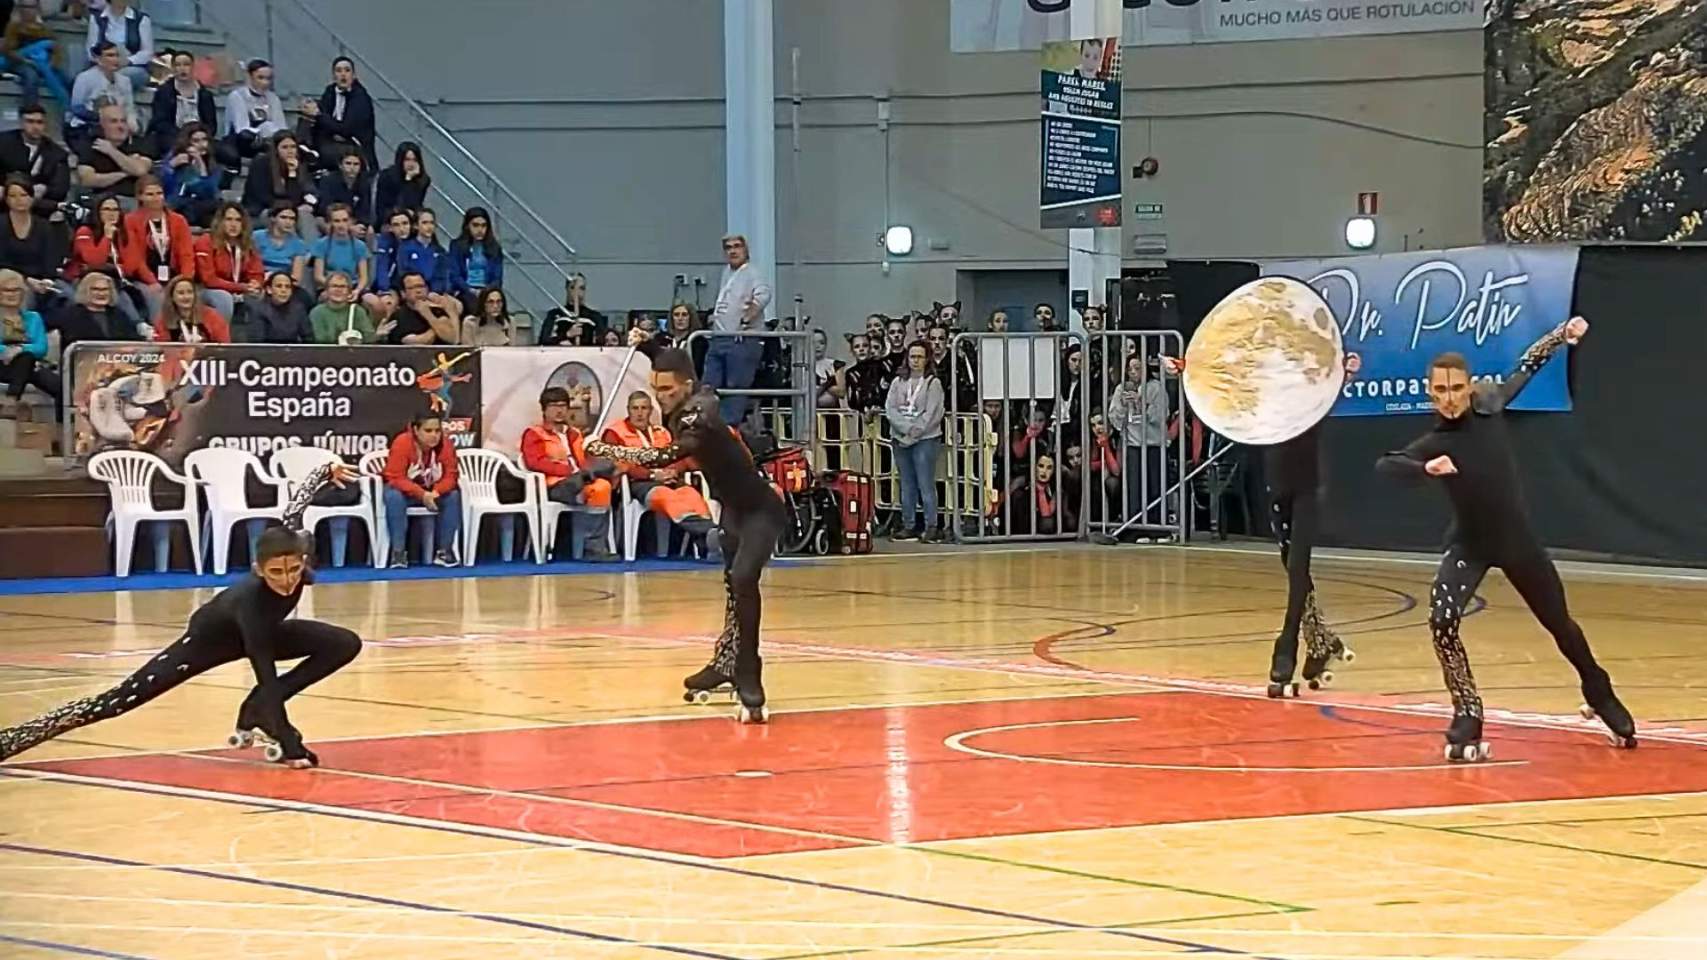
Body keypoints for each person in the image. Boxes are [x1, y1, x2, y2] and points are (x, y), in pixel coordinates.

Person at [1376, 317, 1636, 760]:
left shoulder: (1491, 405)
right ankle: (1468, 711)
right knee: (1441, 620)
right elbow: (1387, 464)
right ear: (1430, 393)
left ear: (1469, 386)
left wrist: (1561, 335)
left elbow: (1527, 366)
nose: (1449, 399)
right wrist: (1424, 469)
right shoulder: (1433, 442)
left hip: (1517, 542)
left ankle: (1599, 691)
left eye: (1456, 388)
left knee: (1561, 626)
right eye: (1439, 391)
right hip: (1469, 544)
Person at [0, 462, 364, 767]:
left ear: (302, 560)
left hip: (266, 631)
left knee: (344, 643)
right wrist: (289, 741)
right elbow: (265, 670)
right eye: (276, 573)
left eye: (294, 571)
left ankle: (256, 710)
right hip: (210, 641)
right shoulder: (251, 601)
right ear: (257, 569)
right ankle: (11, 741)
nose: (287, 581)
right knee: (118, 701)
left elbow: (294, 510)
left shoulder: (295, 548)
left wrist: (322, 471)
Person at [585, 348, 786, 721]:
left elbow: (666, 456)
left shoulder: (700, 411)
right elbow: (671, 358)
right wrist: (644, 345)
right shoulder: (683, 408)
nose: (660, 396)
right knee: (733, 587)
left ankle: (749, 675)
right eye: (655, 388)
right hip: (733, 512)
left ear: (686, 386)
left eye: (667, 389)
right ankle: (725, 662)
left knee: (744, 577)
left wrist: (606, 449)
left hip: (762, 510)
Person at [1163, 350, 1363, 698]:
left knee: (1299, 570)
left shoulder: (1313, 395)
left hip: (1308, 490)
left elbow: (1335, 382)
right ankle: (1322, 643)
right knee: (1294, 569)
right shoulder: (1266, 401)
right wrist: (1186, 369)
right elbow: (1226, 389)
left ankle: (1285, 650)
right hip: (1278, 490)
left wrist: (1347, 373)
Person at [600, 390, 719, 556]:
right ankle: (714, 534)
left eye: (644, 408)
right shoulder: (615, 432)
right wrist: (651, 475)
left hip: (669, 479)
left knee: (691, 494)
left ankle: (710, 542)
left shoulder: (661, 432)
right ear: (628, 410)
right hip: (639, 483)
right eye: (635, 408)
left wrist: (673, 470)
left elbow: (678, 457)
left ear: (650, 411)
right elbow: (620, 464)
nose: (640, 413)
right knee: (666, 496)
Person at [521, 386, 617, 561]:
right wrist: (569, 471)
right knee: (586, 478)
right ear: (544, 409)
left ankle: (593, 549)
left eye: (563, 406)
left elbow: (584, 460)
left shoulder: (575, 434)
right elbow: (535, 462)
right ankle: (586, 477)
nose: (559, 410)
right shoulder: (534, 434)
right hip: (555, 486)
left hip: (581, 482)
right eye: (554, 406)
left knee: (603, 485)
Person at [703, 233, 771, 424]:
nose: (733, 251)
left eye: (737, 246)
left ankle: (729, 429)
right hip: (720, 337)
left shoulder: (753, 272)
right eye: (728, 247)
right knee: (708, 386)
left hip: (741, 339)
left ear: (745, 249)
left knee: (735, 389)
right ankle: (709, 426)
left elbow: (764, 294)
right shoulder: (726, 272)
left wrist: (749, 314)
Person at [381, 411, 462, 568]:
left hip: (432, 491)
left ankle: (444, 552)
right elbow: (395, 477)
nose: (434, 436)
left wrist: (436, 492)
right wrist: (422, 494)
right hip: (406, 492)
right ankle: (398, 554)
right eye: (428, 431)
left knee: (453, 496)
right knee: (393, 496)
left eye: (437, 431)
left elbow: (451, 476)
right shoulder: (402, 443)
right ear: (416, 430)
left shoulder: (446, 445)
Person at [885, 340, 946, 543]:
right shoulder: (898, 382)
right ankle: (908, 524)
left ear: (927, 359)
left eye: (920, 357)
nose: (915, 361)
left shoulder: (932, 383)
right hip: (900, 437)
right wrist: (906, 429)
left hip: (925, 439)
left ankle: (931, 526)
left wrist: (915, 432)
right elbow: (890, 409)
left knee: (925, 483)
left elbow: (933, 413)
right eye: (912, 356)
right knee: (906, 483)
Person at [301, 56, 376, 171]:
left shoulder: (361, 98)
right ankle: (304, 147)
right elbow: (323, 119)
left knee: (325, 152)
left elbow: (346, 129)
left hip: (354, 146)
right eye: (339, 71)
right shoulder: (330, 91)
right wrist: (312, 111)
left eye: (347, 70)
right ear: (334, 76)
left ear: (354, 75)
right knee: (306, 117)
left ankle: (310, 154)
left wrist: (319, 115)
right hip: (331, 140)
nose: (343, 75)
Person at [193, 201, 263, 323]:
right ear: (220, 222)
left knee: (261, 296)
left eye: (238, 220)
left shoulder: (248, 244)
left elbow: (257, 272)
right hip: (207, 290)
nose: (233, 224)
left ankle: (256, 339)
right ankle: (222, 338)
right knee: (224, 298)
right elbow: (209, 280)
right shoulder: (206, 242)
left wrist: (255, 284)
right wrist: (241, 287)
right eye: (229, 219)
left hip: (240, 289)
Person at [0, 103, 71, 222]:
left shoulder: (57, 153)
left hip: (37, 208)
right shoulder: (3, 143)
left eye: (39, 122)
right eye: (30, 121)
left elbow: (61, 188)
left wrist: (45, 189)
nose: (35, 127)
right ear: (21, 123)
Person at [0, 268, 55, 419]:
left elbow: (41, 347)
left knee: (58, 385)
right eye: (7, 290)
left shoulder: (33, 317)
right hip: (1, 364)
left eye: (16, 290)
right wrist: (7, 351)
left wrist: (19, 349)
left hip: (26, 364)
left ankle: (62, 428)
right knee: (26, 357)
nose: (12, 295)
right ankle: (11, 401)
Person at [74, 101, 152, 201]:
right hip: (101, 200)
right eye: (114, 121)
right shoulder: (90, 145)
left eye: (123, 121)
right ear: (102, 125)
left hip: (134, 200)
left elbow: (141, 170)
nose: (120, 126)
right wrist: (126, 172)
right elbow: (88, 180)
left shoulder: (140, 144)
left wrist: (111, 151)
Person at [2, 1, 71, 113]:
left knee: (65, 77)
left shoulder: (43, 28)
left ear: (37, 9)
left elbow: (55, 48)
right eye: (25, 7)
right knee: (31, 76)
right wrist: (26, 61)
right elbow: (8, 52)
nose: (28, 11)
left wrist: (53, 61)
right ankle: (31, 111)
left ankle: (69, 112)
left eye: (31, 7)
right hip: (19, 63)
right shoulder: (13, 27)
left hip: (43, 63)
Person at [147, 49, 217, 158]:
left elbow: (211, 125)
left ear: (193, 67)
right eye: (178, 65)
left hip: (200, 136)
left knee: (227, 154)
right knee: (180, 149)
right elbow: (160, 123)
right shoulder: (164, 92)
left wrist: (199, 137)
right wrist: (183, 137)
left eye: (186, 64)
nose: (182, 69)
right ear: (173, 69)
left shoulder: (205, 94)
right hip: (172, 136)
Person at [67, 42, 137, 149]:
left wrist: (132, 124)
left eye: (117, 55)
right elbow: (76, 108)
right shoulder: (84, 78)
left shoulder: (125, 81)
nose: (115, 59)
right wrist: (101, 118)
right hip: (88, 126)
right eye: (110, 55)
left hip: (116, 127)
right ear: (98, 59)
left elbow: (129, 108)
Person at [158, 121, 222, 228]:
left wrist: (201, 164)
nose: (202, 145)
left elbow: (208, 192)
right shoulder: (174, 158)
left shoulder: (212, 165)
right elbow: (164, 186)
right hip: (178, 205)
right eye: (196, 141)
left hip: (201, 207)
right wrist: (171, 166)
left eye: (204, 140)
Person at [224, 59, 288, 162]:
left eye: (268, 79)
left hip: (268, 139)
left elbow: (280, 125)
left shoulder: (273, 98)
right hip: (242, 141)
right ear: (250, 77)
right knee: (246, 137)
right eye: (260, 78)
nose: (265, 83)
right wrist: (263, 131)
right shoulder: (238, 96)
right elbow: (241, 127)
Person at [84, 0, 153, 92]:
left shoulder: (141, 19)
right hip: (104, 65)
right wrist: (105, 62)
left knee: (125, 76)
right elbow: (91, 49)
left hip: (131, 67)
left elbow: (147, 52)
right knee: (86, 78)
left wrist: (128, 61)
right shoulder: (97, 18)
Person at [447, 206, 502, 314]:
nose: (480, 230)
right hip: (465, 290)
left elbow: (497, 278)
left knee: (492, 302)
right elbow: (455, 275)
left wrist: (486, 291)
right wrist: (471, 290)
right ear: (467, 226)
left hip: (487, 290)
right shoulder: (457, 246)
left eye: (483, 226)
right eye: (475, 225)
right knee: (473, 305)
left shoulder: (494, 248)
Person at [312, 203, 370, 296]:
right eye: (337, 221)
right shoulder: (321, 244)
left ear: (351, 221)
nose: (341, 225)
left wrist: (357, 290)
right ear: (330, 223)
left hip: (353, 286)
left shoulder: (360, 246)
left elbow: (363, 278)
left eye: (345, 220)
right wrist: (337, 287)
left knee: (373, 302)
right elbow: (318, 276)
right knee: (324, 297)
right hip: (329, 286)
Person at [152, 274, 229, 343]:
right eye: (181, 293)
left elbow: (223, 346)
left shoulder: (211, 316)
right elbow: (161, 348)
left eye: (190, 292)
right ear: (172, 297)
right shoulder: (163, 319)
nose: (186, 297)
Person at [372, 141, 429, 228]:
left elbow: (415, 204)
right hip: (387, 219)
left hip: (411, 222)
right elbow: (384, 208)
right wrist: (408, 180)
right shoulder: (387, 177)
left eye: (414, 160)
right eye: (407, 160)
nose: (411, 164)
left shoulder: (423, 180)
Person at [539, 272, 604, 346]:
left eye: (582, 288)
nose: (578, 293)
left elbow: (602, 343)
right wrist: (566, 335)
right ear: (567, 289)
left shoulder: (594, 317)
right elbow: (543, 341)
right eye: (573, 287)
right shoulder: (554, 315)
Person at [309, 271, 374, 345]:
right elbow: (319, 339)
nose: (338, 290)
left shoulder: (358, 311)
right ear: (326, 290)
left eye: (342, 286)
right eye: (334, 286)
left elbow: (369, 337)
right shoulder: (317, 313)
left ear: (349, 292)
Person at [247, 271, 311, 343]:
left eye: (287, 287)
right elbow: (257, 343)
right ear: (269, 290)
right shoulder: (258, 310)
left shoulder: (298, 309)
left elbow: (308, 339)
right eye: (279, 286)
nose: (283, 290)